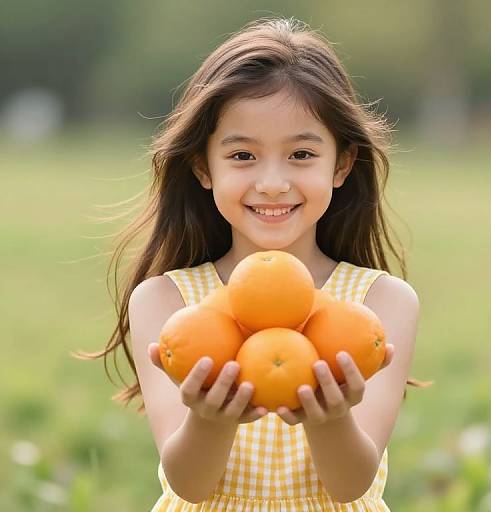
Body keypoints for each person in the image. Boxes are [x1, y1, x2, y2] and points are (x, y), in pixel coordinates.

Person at [77, 16, 433, 511]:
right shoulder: (168, 303)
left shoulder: (379, 303)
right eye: (242, 155)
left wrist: (329, 418)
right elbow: (189, 485)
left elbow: (352, 485)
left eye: (301, 154)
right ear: (203, 166)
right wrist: (210, 418)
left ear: (342, 164)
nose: (271, 182)